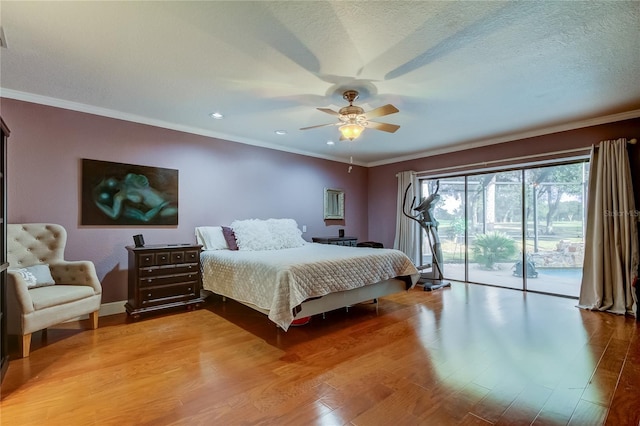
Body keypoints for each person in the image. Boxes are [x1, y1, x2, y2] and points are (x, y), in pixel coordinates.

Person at [93, 173, 177, 222]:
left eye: (107, 180)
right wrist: (97, 203)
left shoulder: (130, 179)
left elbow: (143, 181)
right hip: (163, 207)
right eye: (105, 184)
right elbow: (114, 214)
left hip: (167, 198)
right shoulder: (119, 196)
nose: (109, 183)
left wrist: (141, 180)